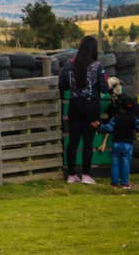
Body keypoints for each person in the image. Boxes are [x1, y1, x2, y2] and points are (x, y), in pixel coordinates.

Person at [59, 35, 109, 184]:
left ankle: (71, 174)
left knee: (73, 142)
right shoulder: (97, 66)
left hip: (74, 106)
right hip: (91, 107)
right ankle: (86, 175)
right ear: (93, 50)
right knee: (88, 142)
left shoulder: (69, 65)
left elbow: (63, 85)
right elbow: (104, 88)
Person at [98, 93, 139, 189]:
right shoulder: (133, 118)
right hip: (127, 144)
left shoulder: (116, 117)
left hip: (116, 143)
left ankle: (114, 183)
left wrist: (99, 126)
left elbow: (108, 128)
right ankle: (125, 183)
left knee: (115, 163)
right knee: (125, 163)